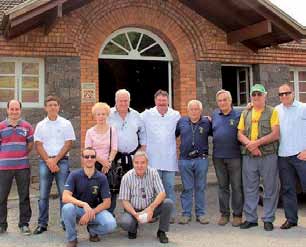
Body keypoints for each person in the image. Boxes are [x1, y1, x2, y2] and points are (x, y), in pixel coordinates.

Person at [237, 84, 280, 231]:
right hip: (249, 156)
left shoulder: (272, 112)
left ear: (265, 96)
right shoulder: (246, 113)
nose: (256, 97)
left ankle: (268, 219)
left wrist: (256, 144)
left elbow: (275, 134)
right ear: (251, 97)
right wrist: (251, 145)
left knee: (270, 188)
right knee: (250, 188)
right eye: (254, 95)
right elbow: (239, 134)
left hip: (268, 156)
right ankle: (251, 219)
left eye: (259, 94)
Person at [33, 95, 76, 234]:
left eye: (55, 105)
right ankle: (42, 223)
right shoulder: (40, 125)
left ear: (59, 107)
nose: (52, 107)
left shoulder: (66, 123)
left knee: (64, 194)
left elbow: (69, 143)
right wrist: (49, 161)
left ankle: (65, 221)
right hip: (45, 161)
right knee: (43, 194)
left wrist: (55, 160)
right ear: (45, 107)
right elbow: (38, 145)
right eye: (50, 105)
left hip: (61, 161)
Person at [62, 147, 116, 247]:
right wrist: (83, 204)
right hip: (78, 209)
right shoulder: (74, 175)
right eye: (86, 156)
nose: (89, 159)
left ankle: (92, 230)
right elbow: (65, 197)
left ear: (95, 159)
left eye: (92, 156)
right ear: (82, 159)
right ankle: (72, 238)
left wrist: (91, 212)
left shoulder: (101, 177)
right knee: (67, 208)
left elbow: (107, 202)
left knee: (111, 224)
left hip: (95, 210)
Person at [140, 89, 180, 223]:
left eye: (164, 100)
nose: (162, 103)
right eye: (159, 100)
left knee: (169, 187)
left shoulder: (175, 115)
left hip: (169, 158)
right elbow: (134, 121)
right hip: (153, 158)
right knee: (153, 189)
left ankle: (170, 214)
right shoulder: (146, 114)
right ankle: (153, 213)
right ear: (155, 101)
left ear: (168, 101)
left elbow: (188, 123)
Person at [118, 150, 173, 243]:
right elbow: (125, 201)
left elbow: (162, 193)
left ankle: (161, 231)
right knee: (125, 222)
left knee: (168, 203)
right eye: (137, 163)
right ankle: (133, 228)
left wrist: (151, 209)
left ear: (147, 163)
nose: (139, 166)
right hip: (133, 210)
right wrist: (135, 214)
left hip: (150, 208)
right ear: (133, 163)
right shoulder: (127, 177)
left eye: (143, 163)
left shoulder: (153, 173)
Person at [108, 89, 146, 213]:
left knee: (132, 186)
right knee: (112, 186)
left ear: (129, 101)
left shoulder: (136, 115)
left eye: (126, 100)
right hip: (114, 156)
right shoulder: (108, 114)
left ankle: (130, 215)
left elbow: (143, 133)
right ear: (115, 101)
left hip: (132, 156)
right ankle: (109, 213)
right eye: (121, 101)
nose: (123, 103)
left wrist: (142, 150)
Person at [0, 100, 34, 235]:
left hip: (22, 166)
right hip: (3, 167)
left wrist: (21, 153)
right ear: (7, 110)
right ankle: (2, 225)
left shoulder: (27, 126)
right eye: (12, 109)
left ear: (20, 110)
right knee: (1, 197)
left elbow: (30, 144)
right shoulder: (1, 126)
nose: (14, 112)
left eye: (17, 109)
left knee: (24, 196)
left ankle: (24, 224)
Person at [175, 100, 211, 224]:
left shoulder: (207, 122)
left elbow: (216, 133)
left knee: (200, 187)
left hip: (201, 159)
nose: (194, 111)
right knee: (187, 188)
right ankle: (186, 214)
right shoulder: (181, 122)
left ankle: (201, 214)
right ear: (187, 110)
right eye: (191, 109)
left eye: (196, 109)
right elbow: (173, 135)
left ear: (201, 111)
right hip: (185, 160)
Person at [276, 83, 306, 230]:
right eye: (281, 94)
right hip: (283, 157)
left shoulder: (303, 108)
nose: (284, 96)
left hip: (302, 155)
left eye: (286, 93)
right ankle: (291, 219)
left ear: (293, 93)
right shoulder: (276, 110)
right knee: (288, 189)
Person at [212, 90, 243, 227]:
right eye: (220, 100)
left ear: (230, 101)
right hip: (218, 157)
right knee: (222, 187)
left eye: (225, 100)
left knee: (236, 187)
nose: (222, 103)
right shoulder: (214, 115)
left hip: (235, 157)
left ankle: (237, 215)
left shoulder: (239, 114)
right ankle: (224, 214)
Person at [85, 102, 118, 214]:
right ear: (94, 116)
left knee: (110, 190)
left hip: (109, 164)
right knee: (94, 190)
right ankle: (94, 214)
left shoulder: (112, 130)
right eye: (98, 114)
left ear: (107, 115)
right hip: (94, 165)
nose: (101, 116)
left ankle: (109, 213)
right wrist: (102, 161)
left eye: (103, 114)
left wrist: (108, 162)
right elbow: (88, 150)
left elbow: (114, 148)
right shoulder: (90, 132)